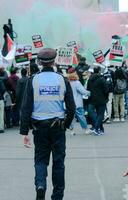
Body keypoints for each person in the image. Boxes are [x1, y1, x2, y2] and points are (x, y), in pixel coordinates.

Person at [20, 48, 75, 200]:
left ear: (39, 62)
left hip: (39, 127)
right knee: (58, 163)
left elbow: (26, 107)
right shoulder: (62, 79)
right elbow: (71, 107)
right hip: (58, 127)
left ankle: (40, 185)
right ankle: (57, 196)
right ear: (54, 61)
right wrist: (66, 124)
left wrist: (25, 132)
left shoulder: (33, 80)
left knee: (40, 160)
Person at [67, 67, 91, 135]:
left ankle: (71, 130)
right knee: (81, 116)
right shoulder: (77, 83)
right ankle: (86, 129)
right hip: (77, 103)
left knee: (71, 117)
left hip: (69, 103)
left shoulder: (67, 82)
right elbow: (83, 91)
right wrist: (89, 93)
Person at [87, 66, 109, 135]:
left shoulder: (90, 79)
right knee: (100, 115)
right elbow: (106, 90)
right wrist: (106, 97)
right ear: (99, 71)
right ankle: (96, 128)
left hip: (93, 99)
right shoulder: (102, 79)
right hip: (101, 99)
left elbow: (88, 89)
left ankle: (101, 129)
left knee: (97, 114)